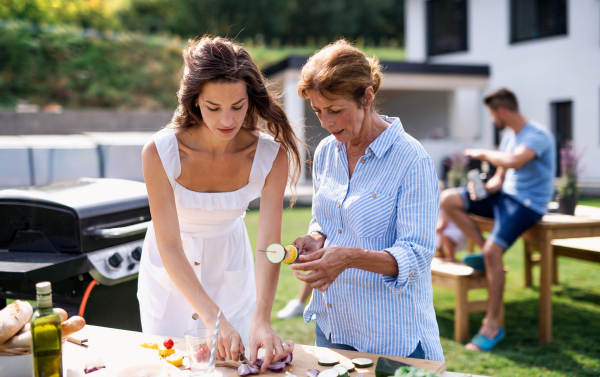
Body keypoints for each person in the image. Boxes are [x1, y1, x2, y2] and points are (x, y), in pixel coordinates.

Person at [137, 36, 301, 369]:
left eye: (237, 106)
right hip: (171, 273)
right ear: (194, 101)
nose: (227, 120)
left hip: (231, 266)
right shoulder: (159, 153)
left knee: (234, 367)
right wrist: (214, 318)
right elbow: (169, 245)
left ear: (250, 99)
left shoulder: (271, 156)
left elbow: (269, 245)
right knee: (171, 368)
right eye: (214, 108)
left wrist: (263, 318)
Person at [290, 40, 444, 362]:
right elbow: (327, 219)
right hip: (333, 325)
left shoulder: (411, 159)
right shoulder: (326, 153)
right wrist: (317, 237)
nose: (325, 122)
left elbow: (416, 256)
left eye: (335, 110)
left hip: (391, 336)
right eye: (318, 111)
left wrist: (349, 257)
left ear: (367, 97)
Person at [441, 88, 556, 351]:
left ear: (501, 111)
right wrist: (482, 190)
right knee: (449, 199)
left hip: (527, 205)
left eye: (492, 115)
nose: (493, 120)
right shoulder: (509, 137)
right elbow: (499, 180)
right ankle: (484, 252)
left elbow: (515, 162)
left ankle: (491, 325)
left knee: (495, 253)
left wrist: (483, 154)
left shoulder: (537, 135)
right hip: (504, 197)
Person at [436, 181, 466, 263]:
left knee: (443, 235)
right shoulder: (439, 210)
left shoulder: (446, 210)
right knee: (438, 235)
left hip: (456, 232)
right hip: (450, 231)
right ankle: (441, 252)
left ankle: (450, 256)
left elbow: (442, 225)